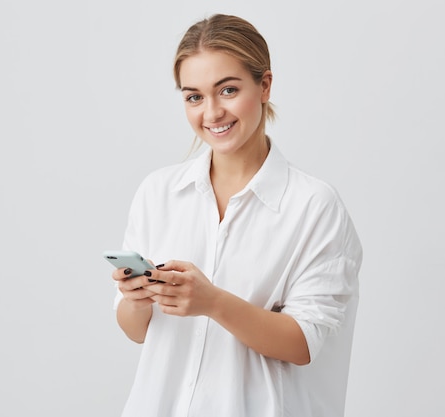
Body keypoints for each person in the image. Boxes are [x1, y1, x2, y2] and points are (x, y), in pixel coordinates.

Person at [110, 13, 362, 417]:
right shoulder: (157, 193)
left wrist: (212, 302)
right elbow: (136, 331)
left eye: (227, 90)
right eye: (193, 96)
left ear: (264, 85)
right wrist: (137, 300)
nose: (211, 113)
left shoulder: (314, 206)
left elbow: (304, 343)